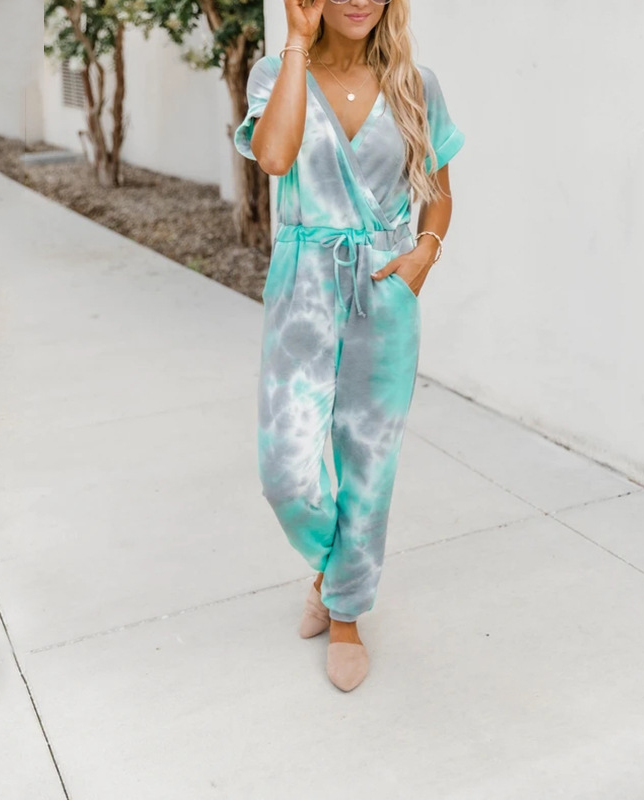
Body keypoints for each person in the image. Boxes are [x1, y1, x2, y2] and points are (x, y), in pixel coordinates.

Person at [233, 0, 465, 692]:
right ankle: (335, 570)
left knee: (368, 466)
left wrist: (425, 252)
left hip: (385, 291)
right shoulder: (276, 73)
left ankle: (345, 614)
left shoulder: (415, 85)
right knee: (286, 474)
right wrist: (297, 42)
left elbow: (439, 191)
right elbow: (274, 157)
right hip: (302, 290)